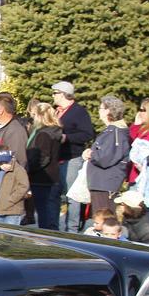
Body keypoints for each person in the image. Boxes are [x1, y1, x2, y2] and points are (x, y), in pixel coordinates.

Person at [52, 81, 95, 232]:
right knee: (56, 194)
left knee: (72, 196)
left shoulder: (78, 112)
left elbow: (87, 134)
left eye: (55, 93)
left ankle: (72, 229)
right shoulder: (56, 111)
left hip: (71, 158)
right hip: (56, 159)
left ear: (64, 94)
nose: (53, 96)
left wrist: (67, 137)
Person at [84, 95, 130, 214]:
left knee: (105, 220)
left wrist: (91, 154)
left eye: (100, 108)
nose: (98, 111)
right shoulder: (110, 131)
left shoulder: (116, 132)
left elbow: (105, 158)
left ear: (108, 111)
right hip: (100, 183)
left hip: (105, 184)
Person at [25, 102, 63, 230]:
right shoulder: (55, 132)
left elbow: (43, 157)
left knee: (45, 216)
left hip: (43, 180)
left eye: (35, 115)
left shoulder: (43, 134)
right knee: (51, 215)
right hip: (53, 178)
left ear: (40, 116)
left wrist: (30, 168)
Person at [0, 148, 29, 225]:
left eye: (6, 162)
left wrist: (11, 199)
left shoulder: (19, 170)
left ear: (12, 159)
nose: (4, 165)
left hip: (13, 210)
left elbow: (24, 186)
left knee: (10, 233)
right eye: (1, 163)